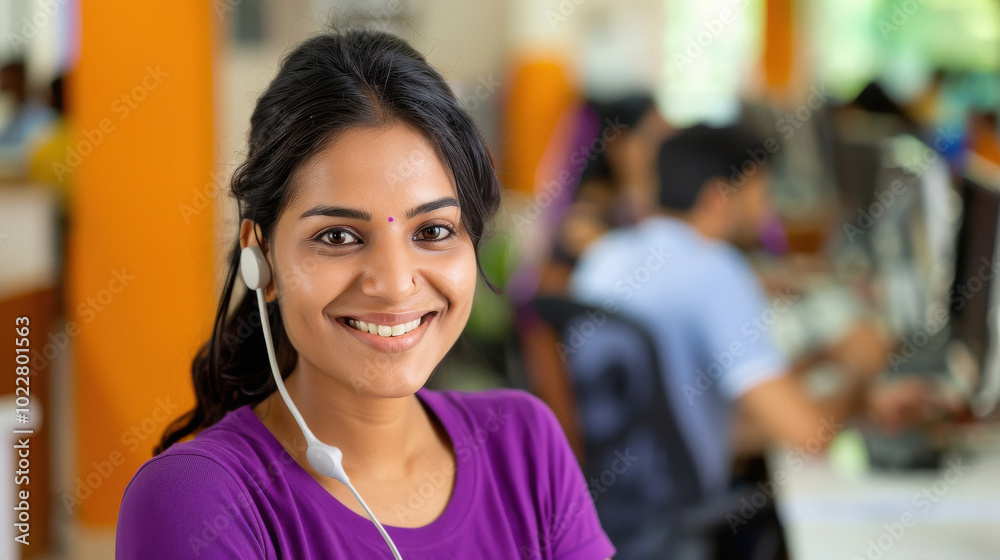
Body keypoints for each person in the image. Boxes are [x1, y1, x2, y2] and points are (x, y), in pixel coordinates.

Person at [115, 29, 615, 560]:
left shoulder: (525, 444)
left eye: (433, 231)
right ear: (262, 258)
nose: (396, 283)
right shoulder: (197, 501)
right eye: (338, 237)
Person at [568, 124, 940, 557]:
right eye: (760, 197)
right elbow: (809, 435)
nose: (768, 217)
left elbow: (676, 404)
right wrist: (862, 367)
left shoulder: (604, 258)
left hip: (609, 507)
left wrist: (834, 373)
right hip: (671, 520)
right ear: (718, 198)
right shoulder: (716, 269)